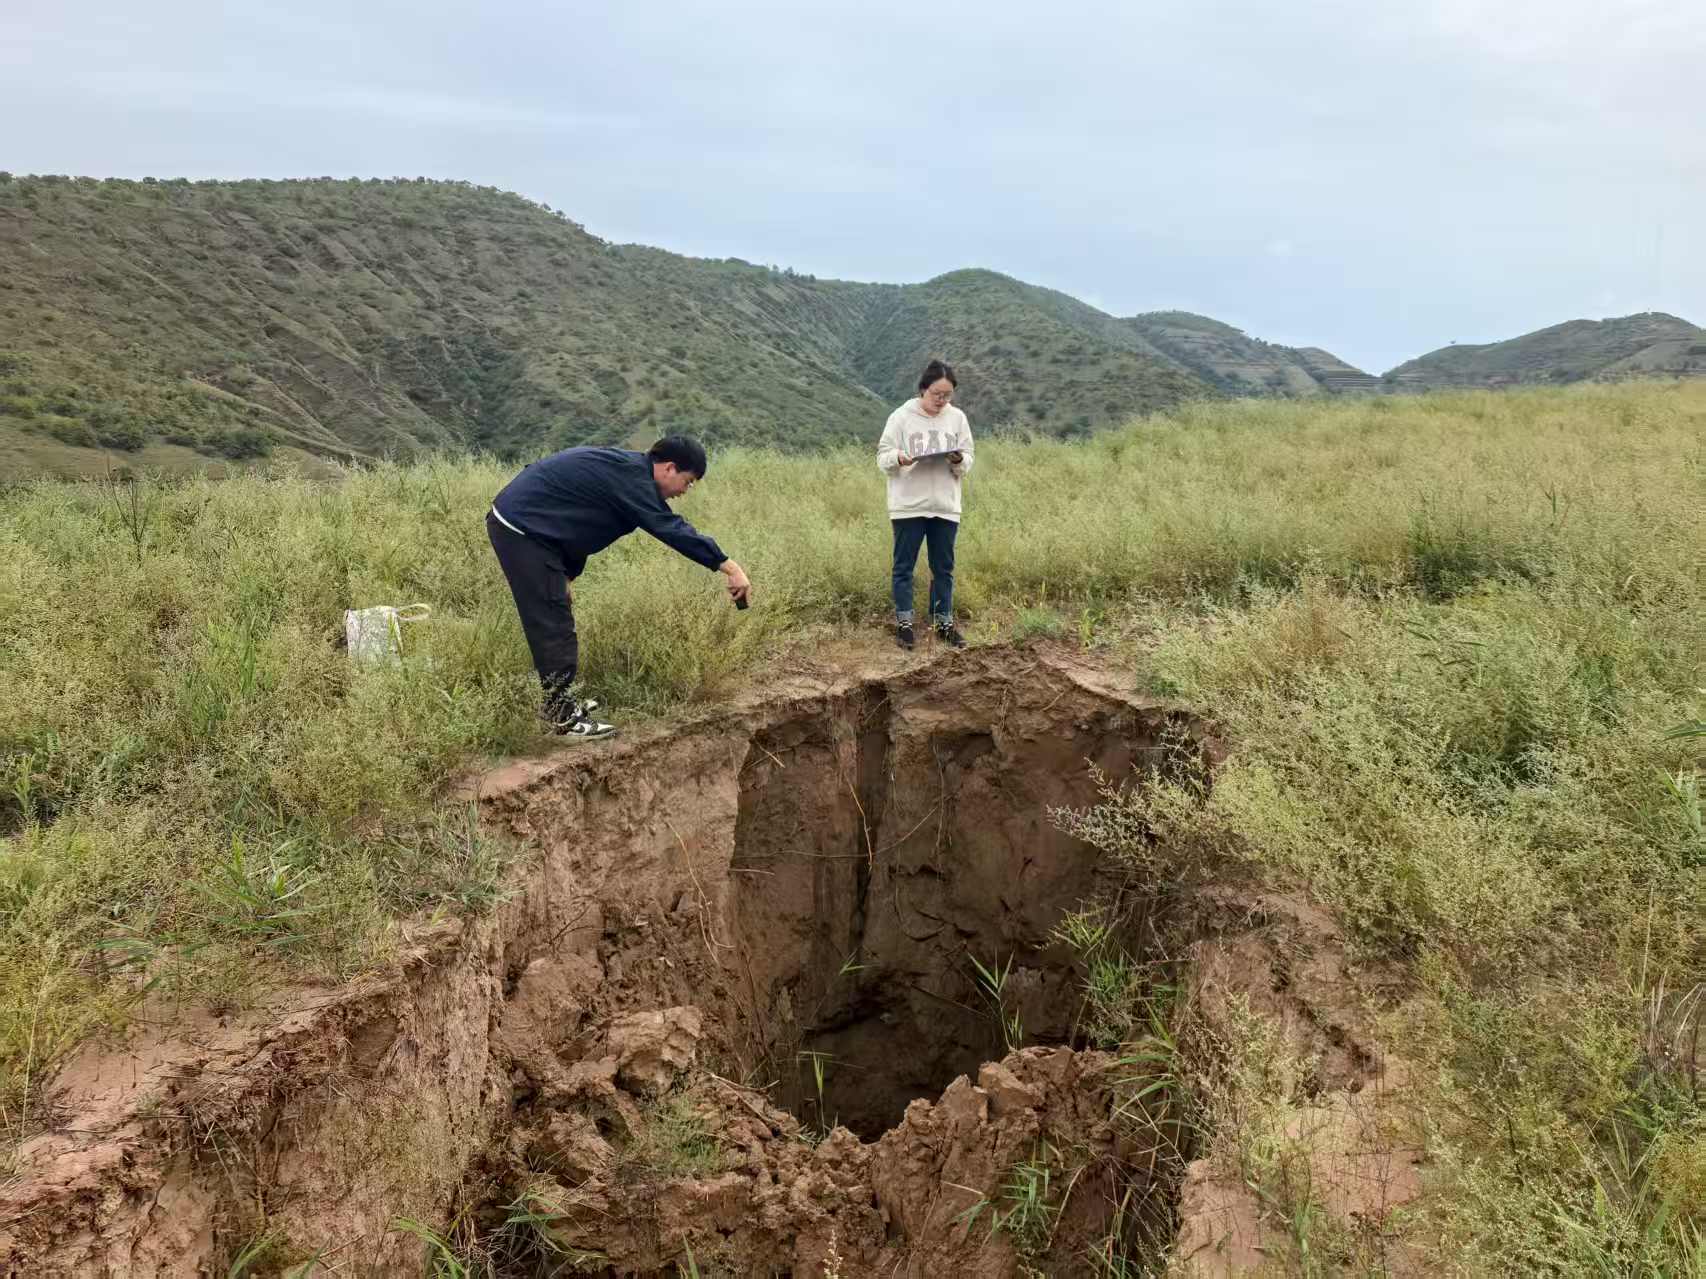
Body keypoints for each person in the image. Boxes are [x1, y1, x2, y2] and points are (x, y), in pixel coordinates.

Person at [487, 436, 752, 739]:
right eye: (688, 482)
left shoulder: (628, 472)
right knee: (553, 621)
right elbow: (670, 528)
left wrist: (567, 575)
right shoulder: (633, 481)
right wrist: (729, 566)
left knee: (557, 606)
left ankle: (560, 704)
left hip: (535, 527)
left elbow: (582, 524)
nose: (684, 492)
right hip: (522, 528)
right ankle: (560, 719)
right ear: (669, 468)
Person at [876, 358, 974, 650]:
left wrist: (958, 459)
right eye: (936, 394)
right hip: (908, 504)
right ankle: (904, 624)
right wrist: (899, 457)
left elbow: (968, 457)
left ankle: (943, 622)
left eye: (947, 396)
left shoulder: (957, 418)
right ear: (922, 389)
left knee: (943, 567)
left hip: (945, 505)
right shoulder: (900, 417)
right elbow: (882, 457)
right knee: (903, 566)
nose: (941, 401)